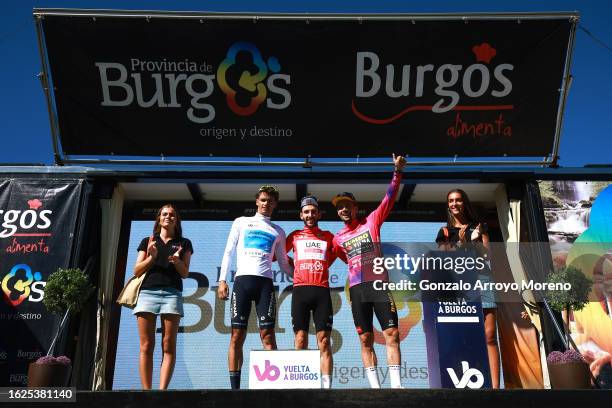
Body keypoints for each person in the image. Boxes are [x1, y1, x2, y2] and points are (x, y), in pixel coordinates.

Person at [332, 154, 406, 389]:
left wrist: (397, 172)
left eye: (347, 205)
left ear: (355, 208)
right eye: (339, 207)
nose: (343, 209)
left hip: (378, 285)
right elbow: (345, 259)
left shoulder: (372, 221)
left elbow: (389, 198)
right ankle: (375, 389)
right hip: (357, 289)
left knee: (391, 333)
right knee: (365, 338)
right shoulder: (337, 238)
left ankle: (396, 386)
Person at [217, 185, 293, 389]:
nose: (266, 204)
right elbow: (228, 252)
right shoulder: (241, 222)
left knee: (268, 335)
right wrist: (222, 280)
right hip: (242, 282)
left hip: (264, 285)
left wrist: (302, 276)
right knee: (236, 335)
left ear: (275, 204)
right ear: (257, 201)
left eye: (270, 201)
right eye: (263, 200)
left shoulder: (278, 231)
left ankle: (273, 389)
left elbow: (284, 263)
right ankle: (235, 390)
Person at [435, 189, 500, 388]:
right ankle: (464, 384)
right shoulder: (444, 232)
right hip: (458, 286)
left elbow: (488, 257)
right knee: (462, 334)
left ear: (465, 203)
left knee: (489, 335)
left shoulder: (479, 227)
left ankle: (495, 389)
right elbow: (443, 261)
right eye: (451, 201)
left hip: (482, 280)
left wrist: (474, 241)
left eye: (458, 200)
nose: (454, 204)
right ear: (448, 205)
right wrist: (461, 244)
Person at [132, 204, 193, 390]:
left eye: (172, 214)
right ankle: (146, 391)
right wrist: (151, 257)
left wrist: (176, 261)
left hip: (172, 294)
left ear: (177, 220)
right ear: (159, 219)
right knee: (146, 345)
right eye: (165, 214)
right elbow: (136, 271)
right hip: (147, 294)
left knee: (168, 345)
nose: (168, 217)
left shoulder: (184, 243)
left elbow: (184, 273)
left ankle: (162, 392)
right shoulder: (147, 241)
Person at [286, 195, 337, 388]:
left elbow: (335, 257)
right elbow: (278, 256)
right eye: (306, 212)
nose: (310, 214)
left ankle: (326, 389)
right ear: (301, 215)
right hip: (300, 291)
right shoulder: (294, 236)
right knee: (300, 339)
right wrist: (293, 265)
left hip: (321, 291)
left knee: (324, 341)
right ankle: (301, 387)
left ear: (319, 214)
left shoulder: (329, 236)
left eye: (313, 211)